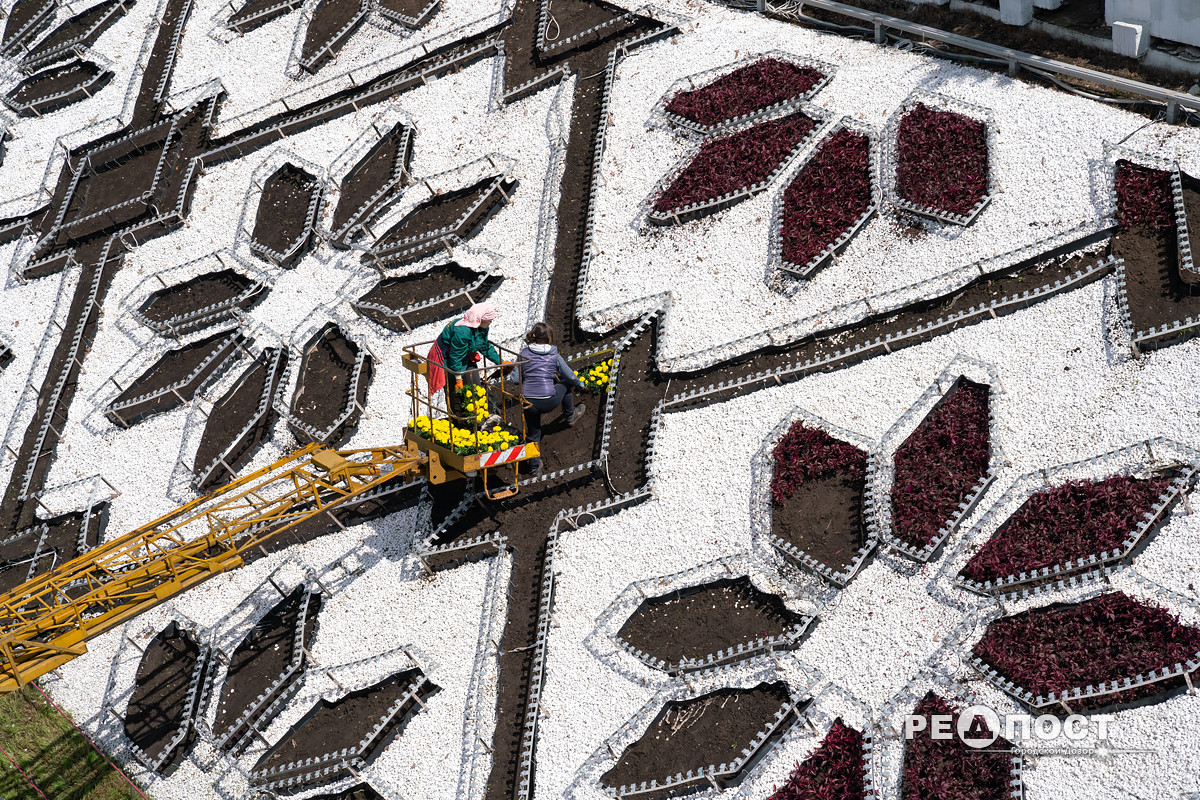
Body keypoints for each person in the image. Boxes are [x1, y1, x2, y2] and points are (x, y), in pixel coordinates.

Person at [509, 322, 585, 475]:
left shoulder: (523, 354)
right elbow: (569, 376)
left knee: (533, 434)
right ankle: (571, 415)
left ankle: (535, 467)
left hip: (529, 402)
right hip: (549, 400)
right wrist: (580, 384)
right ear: (550, 338)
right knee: (565, 385)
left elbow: (515, 380)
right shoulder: (554, 355)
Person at [427, 303, 504, 423]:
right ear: (479, 320)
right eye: (489, 320)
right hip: (447, 359)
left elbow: (484, 345)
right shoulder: (462, 331)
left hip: (465, 355)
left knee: (475, 386)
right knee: (456, 392)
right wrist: (458, 377)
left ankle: (477, 419)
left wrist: (501, 362)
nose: (490, 323)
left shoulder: (482, 327)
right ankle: (459, 422)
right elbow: (455, 356)